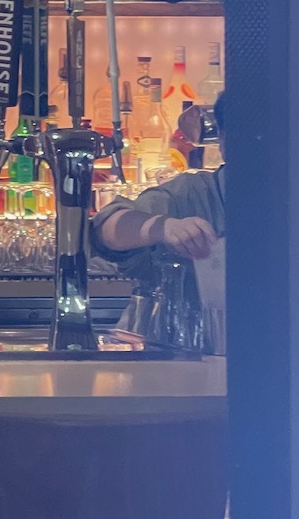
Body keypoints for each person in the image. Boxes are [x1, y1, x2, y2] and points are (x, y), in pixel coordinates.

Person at [91, 93, 225, 342]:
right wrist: (162, 226)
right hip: (174, 360)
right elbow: (105, 229)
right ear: (222, 141)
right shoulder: (191, 194)